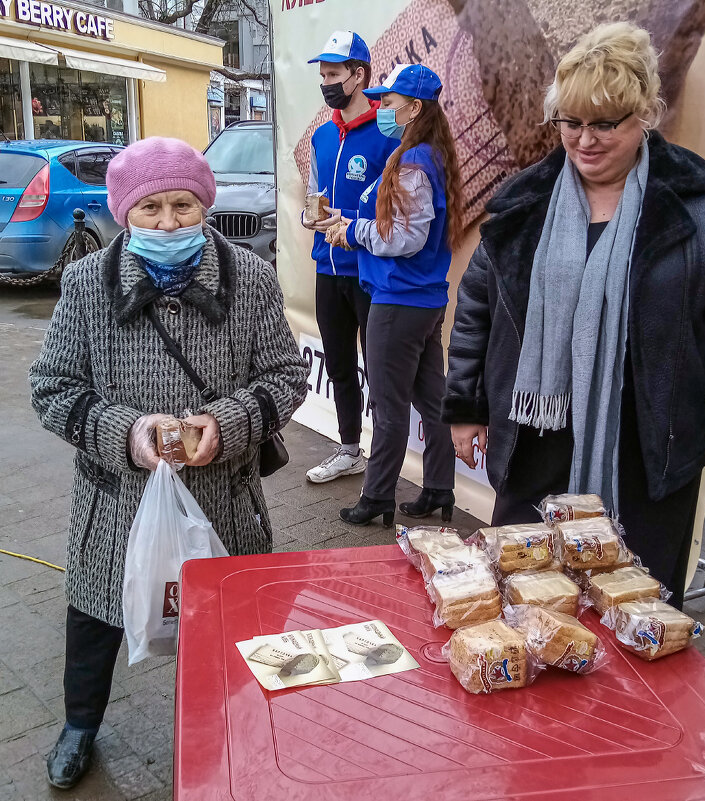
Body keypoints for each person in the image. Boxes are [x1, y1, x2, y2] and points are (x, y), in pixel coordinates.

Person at [445, 23, 705, 607]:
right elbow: (478, 308)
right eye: (571, 123)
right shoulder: (524, 204)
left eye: (606, 124)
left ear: (644, 114)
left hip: (650, 446)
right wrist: (466, 408)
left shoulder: (695, 200)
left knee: (639, 608)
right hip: (536, 440)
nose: (585, 141)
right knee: (526, 603)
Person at [29, 137, 309, 790]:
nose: (167, 221)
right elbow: (52, 387)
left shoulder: (251, 278)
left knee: (234, 621)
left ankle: (239, 722)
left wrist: (227, 423)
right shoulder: (87, 283)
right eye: (150, 207)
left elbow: (286, 376)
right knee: (97, 613)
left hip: (225, 497)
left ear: (204, 205)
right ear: (125, 211)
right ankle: (79, 723)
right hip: (116, 500)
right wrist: (126, 432)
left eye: (183, 204)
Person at [332, 64, 463, 526]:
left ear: (414, 108)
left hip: (398, 300)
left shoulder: (413, 162)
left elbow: (404, 238)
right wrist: (349, 221)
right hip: (424, 300)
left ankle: (377, 497)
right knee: (433, 400)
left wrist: (353, 232)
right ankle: (440, 488)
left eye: (387, 101)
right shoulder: (430, 155)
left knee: (389, 407)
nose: (380, 107)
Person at [303, 31, 398, 484]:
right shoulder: (321, 135)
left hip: (370, 269)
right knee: (340, 363)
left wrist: (354, 222)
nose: (327, 82)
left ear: (359, 76)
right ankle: (348, 449)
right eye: (322, 75)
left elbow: (400, 204)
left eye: (335, 74)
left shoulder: (388, 132)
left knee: (378, 369)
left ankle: (384, 460)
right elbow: (314, 191)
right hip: (327, 266)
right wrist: (312, 216)